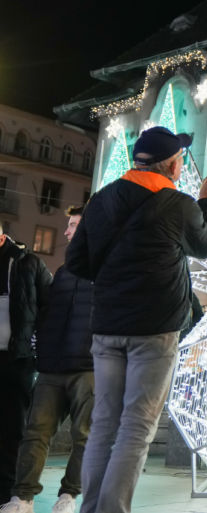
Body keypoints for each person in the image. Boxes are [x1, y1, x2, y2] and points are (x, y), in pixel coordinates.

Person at [65, 126, 207, 513]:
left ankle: (92, 508)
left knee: (104, 423)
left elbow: (76, 261)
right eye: (180, 161)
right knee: (136, 427)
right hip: (154, 330)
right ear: (172, 165)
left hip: (106, 328)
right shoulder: (178, 203)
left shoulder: (101, 200)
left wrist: (117, 276)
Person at [2, 208, 94, 513]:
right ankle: (22, 497)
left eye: (72, 226)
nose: (66, 233)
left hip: (88, 366)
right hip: (53, 365)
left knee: (84, 435)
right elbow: (46, 313)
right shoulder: (65, 272)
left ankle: (69, 495)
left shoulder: (107, 269)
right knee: (35, 432)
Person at [0, 227, 52, 503]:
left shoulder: (27, 263)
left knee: (12, 429)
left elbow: (50, 307)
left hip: (16, 360)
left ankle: (8, 493)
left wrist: (35, 347)